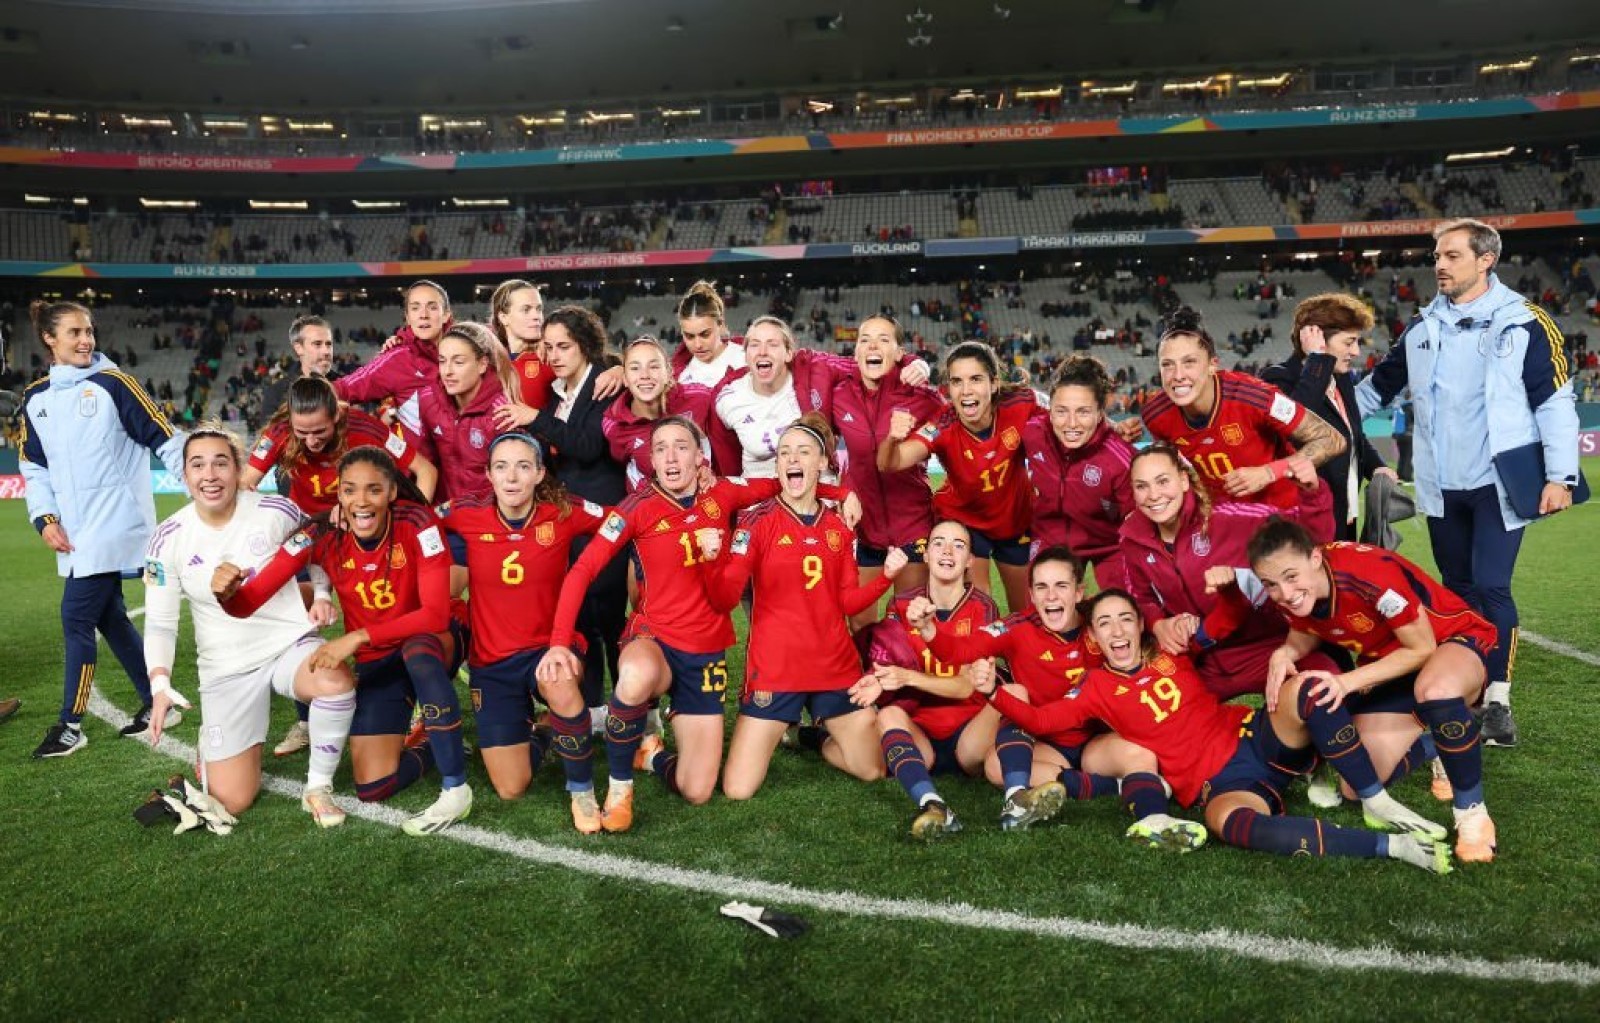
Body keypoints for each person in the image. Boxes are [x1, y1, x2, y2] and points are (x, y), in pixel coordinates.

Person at [977, 589, 1454, 872]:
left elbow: (1227, 619)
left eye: (1125, 618)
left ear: (1141, 625)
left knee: (1308, 688)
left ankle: (1374, 797)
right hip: (1222, 786)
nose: (1117, 629)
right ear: (1094, 638)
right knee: (1229, 825)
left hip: (1258, 738)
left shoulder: (1172, 650)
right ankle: (1392, 846)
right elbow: (1041, 720)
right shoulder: (1096, 688)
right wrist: (993, 692)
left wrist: (1226, 589)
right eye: (1104, 623)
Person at [536, 416, 857, 831]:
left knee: (698, 789)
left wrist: (842, 492)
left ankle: (651, 754)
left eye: (681, 447)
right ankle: (619, 790)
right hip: (655, 637)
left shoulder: (722, 494)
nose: (671, 457)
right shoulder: (636, 508)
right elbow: (581, 571)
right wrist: (560, 641)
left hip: (705, 651)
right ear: (651, 460)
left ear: (699, 457)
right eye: (661, 449)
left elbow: (788, 485)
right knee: (634, 674)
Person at [1355, 217, 1581, 748]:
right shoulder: (1421, 327)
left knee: (1491, 587)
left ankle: (1498, 700)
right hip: (1440, 486)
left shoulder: (1525, 321)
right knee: (1455, 593)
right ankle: (1465, 690)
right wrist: (1314, 409)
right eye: (1437, 254)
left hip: (1497, 483)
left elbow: (1554, 401)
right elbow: (1372, 392)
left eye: (1452, 255)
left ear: (1485, 261)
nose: (1439, 264)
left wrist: (1561, 476)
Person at [1206, 519, 1501, 863]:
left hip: (1451, 642)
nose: (1284, 593)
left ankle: (1472, 814)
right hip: (1396, 665)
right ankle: (1441, 737)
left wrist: (1345, 683)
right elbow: (1307, 626)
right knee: (1355, 787)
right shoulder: (1297, 592)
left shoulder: (1366, 574)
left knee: (1435, 690)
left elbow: (1421, 649)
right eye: (1271, 584)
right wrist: (1285, 652)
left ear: (1315, 558)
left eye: (1291, 577)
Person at [219, 446, 473, 837]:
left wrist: (356, 636)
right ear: (338, 494)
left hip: (437, 637)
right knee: (374, 787)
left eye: (373, 490)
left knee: (419, 652)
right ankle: (430, 748)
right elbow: (247, 603)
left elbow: (435, 615)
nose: (361, 501)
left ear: (391, 492)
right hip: (378, 657)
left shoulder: (418, 521)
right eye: (350, 490)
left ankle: (456, 788)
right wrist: (227, 593)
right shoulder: (320, 533)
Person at [142, 426, 356, 826]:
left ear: (239, 468)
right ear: (184, 475)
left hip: (286, 643)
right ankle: (214, 747)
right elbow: (160, 621)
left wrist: (322, 594)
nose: (210, 475)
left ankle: (318, 787)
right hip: (226, 668)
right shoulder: (168, 537)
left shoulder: (274, 511)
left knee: (335, 682)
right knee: (232, 800)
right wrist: (159, 684)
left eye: (221, 463)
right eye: (198, 465)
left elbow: (317, 548)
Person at [705, 414, 904, 800]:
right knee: (737, 790)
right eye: (784, 453)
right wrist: (715, 561)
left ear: (823, 464)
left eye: (803, 451)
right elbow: (725, 599)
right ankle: (797, 724)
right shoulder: (755, 523)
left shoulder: (840, 526)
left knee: (871, 769)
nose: (792, 459)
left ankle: (814, 736)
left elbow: (848, 601)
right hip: (777, 670)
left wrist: (885, 578)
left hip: (834, 667)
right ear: (777, 465)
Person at [20, 300, 186, 759]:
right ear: (49, 339)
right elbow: (33, 468)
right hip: (74, 534)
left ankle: (70, 724)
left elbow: (164, 437)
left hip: (114, 526)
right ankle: (160, 702)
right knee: (110, 617)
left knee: (77, 618)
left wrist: (205, 491)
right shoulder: (36, 399)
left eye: (89, 331)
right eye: (74, 332)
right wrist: (44, 518)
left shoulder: (114, 383)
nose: (86, 340)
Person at [912, 546, 1147, 831]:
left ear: (1078, 592)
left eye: (1061, 586)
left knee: (1143, 757)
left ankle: (1080, 781)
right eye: (1042, 587)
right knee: (996, 766)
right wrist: (929, 631)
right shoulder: (1017, 627)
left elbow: (1140, 645)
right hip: (1044, 743)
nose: (1051, 596)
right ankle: (1096, 788)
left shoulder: (1101, 624)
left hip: (1095, 743)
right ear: (1032, 595)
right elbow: (960, 650)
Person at [441, 433, 610, 831]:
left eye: (522, 466)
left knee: (559, 681)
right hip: (492, 662)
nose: (511, 477)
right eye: (501, 467)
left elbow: (621, 519)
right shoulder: (465, 512)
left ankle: (582, 790)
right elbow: (409, 516)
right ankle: (547, 732)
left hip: (549, 649)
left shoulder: (564, 512)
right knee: (510, 788)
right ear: (488, 475)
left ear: (538, 473)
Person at [497, 305, 628, 721]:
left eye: (563, 346)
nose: (554, 354)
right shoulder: (557, 391)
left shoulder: (604, 385)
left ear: (585, 346)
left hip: (606, 515)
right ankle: (590, 711)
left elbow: (590, 446)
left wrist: (534, 419)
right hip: (570, 519)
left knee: (611, 619)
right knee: (583, 619)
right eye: (548, 347)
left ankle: (638, 713)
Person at [847, 520, 1003, 839]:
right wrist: (877, 680)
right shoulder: (901, 604)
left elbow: (965, 686)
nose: (947, 551)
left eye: (958, 545)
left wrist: (907, 677)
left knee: (1013, 693)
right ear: (927, 555)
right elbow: (887, 662)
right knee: (888, 714)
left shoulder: (983, 608)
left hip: (969, 736)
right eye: (938, 543)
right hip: (921, 736)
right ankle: (932, 804)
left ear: (970, 560)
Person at [1143, 306, 1346, 541]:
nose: (1177, 375)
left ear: (1212, 365)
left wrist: (1269, 472)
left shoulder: (1254, 397)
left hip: (1281, 523)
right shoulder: (1155, 414)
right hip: (1224, 531)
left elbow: (1332, 439)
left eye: (1189, 362)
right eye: (1167, 364)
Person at [878, 340, 1044, 612]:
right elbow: (892, 462)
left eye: (976, 379)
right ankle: (979, 653)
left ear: (993, 383)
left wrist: (1111, 428)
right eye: (957, 381)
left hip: (1015, 520)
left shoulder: (1022, 403)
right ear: (948, 388)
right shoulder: (942, 425)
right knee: (980, 602)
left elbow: (1066, 420)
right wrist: (892, 440)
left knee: (1024, 608)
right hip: (966, 522)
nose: (966, 391)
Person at [829, 315, 944, 623]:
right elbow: (829, 456)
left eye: (883, 339)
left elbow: (956, 432)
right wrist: (844, 491)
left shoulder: (922, 396)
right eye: (864, 339)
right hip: (866, 530)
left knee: (910, 625)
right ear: (855, 354)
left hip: (913, 528)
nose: (872, 346)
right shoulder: (839, 394)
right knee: (860, 624)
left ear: (898, 352)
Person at [1263, 293, 1395, 541]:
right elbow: (1296, 428)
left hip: (1343, 514)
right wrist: (1317, 361)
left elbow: (1353, 434)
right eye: (1349, 342)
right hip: (1305, 521)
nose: (1356, 351)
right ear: (1318, 339)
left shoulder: (1341, 378)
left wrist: (1377, 467)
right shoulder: (1277, 379)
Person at [244, 375, 438, 514]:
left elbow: (426, 471)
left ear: (336, 415)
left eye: (320, 431)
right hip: (306, 526)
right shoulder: (279, 433)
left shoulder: (366, 427)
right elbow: (245, 484)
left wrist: (417, 519)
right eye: (302, 433)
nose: (311, 441)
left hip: (359, 523)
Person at [1023, 355, 1136, 591]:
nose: (1071, 423)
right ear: (1050, 410)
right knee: (1045, 611)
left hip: (1109, 545)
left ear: (1100, 413)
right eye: (1062, 411)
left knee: (1122, 615)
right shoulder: (1032, 432)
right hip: (1049, 537)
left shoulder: (1121, 459)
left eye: (1083, 412)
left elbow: (1137, 520)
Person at [334, 279, 453, 446]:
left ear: (446, 314)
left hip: (472, 468)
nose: (423, 314)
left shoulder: (468, 350)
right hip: (419, 469)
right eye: (415, 308)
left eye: (432, 307)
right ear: (407, 317)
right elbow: (343, 388)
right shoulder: (397, 358)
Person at [415, 322, 515, 504]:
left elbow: (513, 483)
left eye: (458, 362)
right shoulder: (428, 399)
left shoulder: (502, 415)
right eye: (442, 361)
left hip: (486, 520)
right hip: (444, 514)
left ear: (483, 364)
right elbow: (425, 462)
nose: (447, 371)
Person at [491, 279, 624, 413]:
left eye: (539, 309)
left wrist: (619, 370)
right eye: (526, 310)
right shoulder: (489, 361)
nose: (536, 316)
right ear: (503, 317)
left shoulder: (549, 357)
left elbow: (594, 363)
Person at [602, 335, 714, 490]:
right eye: (635, 368)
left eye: (654, 367)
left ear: (668, 372)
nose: (645, 375)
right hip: (652, 508)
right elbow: (624, 465)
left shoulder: (700, 397)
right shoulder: (615, 424)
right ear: (625, 378)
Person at [258, 315, 339, 428]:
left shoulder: (346, 385)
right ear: (298, 348)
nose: (326, 351)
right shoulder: (277, 393)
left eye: (329, 344)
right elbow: (269, 439)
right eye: (317, 344)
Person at [672, 280, 747, 388]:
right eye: (689, 336)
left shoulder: (747, 358)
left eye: (705, 334)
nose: (698, 345)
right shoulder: (678, 376)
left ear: (720, 324)